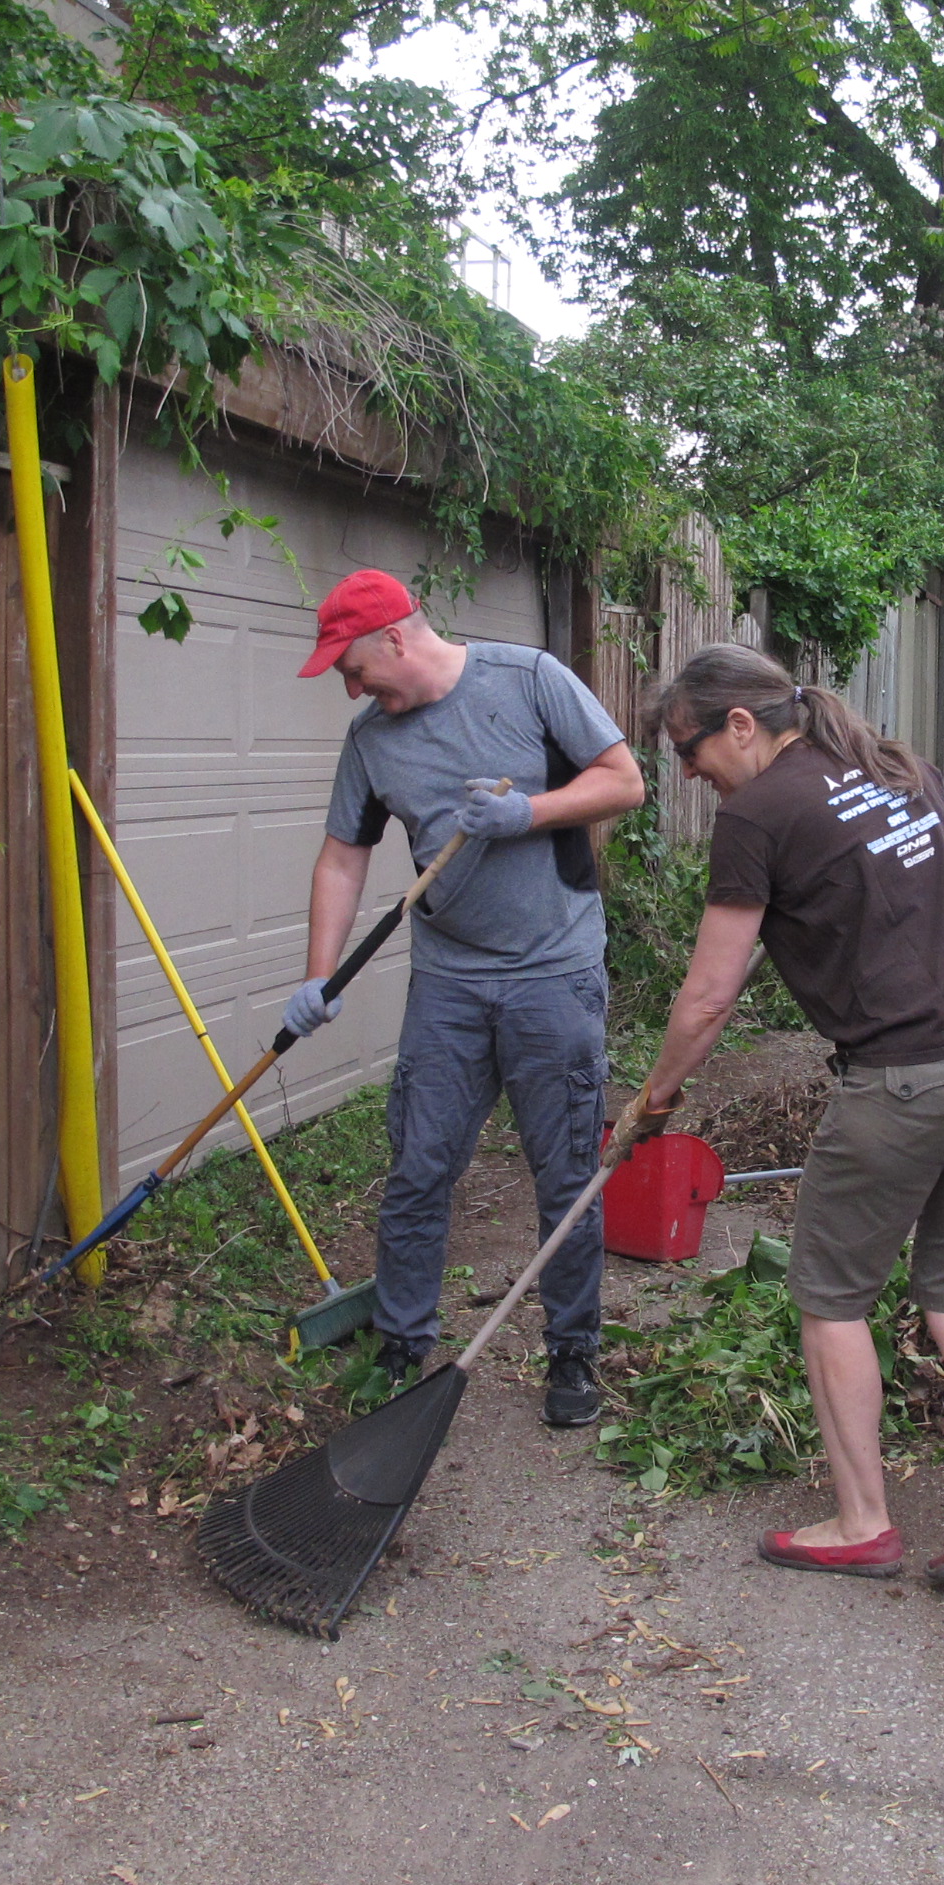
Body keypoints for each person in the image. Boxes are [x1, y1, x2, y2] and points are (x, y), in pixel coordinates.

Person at [635, 643, 944, 1593]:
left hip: (915, 1077)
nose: (692, 776)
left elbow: (708, 998)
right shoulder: (894, 765)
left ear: (740, 725)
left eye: (689, 750)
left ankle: (862, 1523)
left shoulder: (758, 813)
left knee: (831, 1297)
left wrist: (656, 1097)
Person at [282, 569, 646, 1426]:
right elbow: (343, 855)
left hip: (553, 973)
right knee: (419, 1165)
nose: (349, 684)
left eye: (353, 665)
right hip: (448, 982)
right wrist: (318, 974)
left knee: (563, 1172)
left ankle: (573, 1353)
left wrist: (531, 812)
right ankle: (404, 1343)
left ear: (395, 639)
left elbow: (624, 781)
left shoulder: (529, 680)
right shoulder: (372, 741)